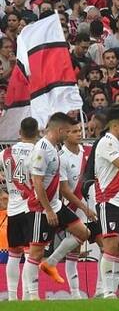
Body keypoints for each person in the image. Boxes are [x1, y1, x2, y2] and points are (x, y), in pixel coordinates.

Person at [23, 113, 90, 301]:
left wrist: (54, 207)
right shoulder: (41, 149)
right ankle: (33, 297)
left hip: (55, 205)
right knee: (36, 252)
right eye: (67, 131)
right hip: (40, 208)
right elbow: (37, 182)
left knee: (83, 233)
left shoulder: (53, 147)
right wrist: (49, 210)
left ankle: (50, 263)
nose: (68, 134)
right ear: (59, 130)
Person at [93, 105, 119, 299]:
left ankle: (113, 289)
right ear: (116, 125)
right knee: (110, 245)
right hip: (108, 200)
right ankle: (106, 290)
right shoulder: (106, 142)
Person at [2, 117, 38, 301]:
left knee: (13, 255)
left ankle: (11, 297)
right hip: (31, 207)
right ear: (38, 133)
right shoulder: (38, 152)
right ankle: (29, 296)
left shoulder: (5, 153)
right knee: (30, 253)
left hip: (13, 208)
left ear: (19, 132)